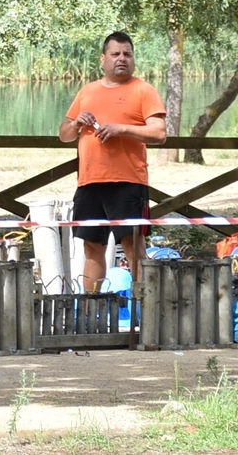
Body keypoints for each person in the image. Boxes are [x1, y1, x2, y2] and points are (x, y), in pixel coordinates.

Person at [58, 31, 167, 291]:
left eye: (127, 54)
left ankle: (146, 305)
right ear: (103, 59)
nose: (122, 59)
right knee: (92, 248)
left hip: (128, 182)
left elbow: (159, 134)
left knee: (133, 246)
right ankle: (91, 308)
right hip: (89, 183)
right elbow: (64, 135)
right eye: (116, 54)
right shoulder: (87, 91)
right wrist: (76, 123)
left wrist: (122, 129)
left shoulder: (143, 90)